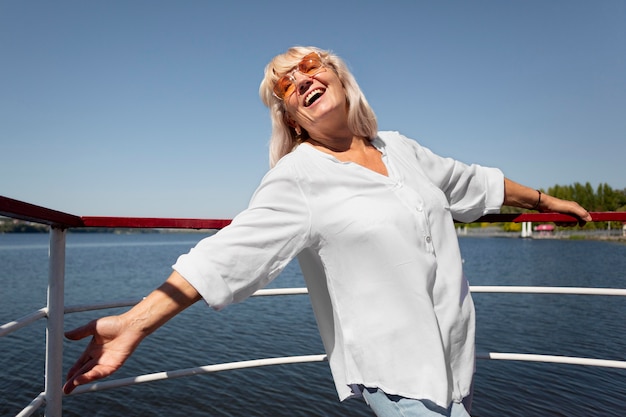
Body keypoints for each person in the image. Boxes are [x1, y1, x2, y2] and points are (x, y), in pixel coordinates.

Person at [63, 46, 591, 417]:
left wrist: (549, 200)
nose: (301, 82)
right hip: (399, 373)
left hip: (456, 356)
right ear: (292, 118)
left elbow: (474, 182)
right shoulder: (298, 177)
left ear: (340, 78)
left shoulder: (399, 147)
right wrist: (134, 322)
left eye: (310, 67)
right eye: (285, 87)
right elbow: (226, 255)